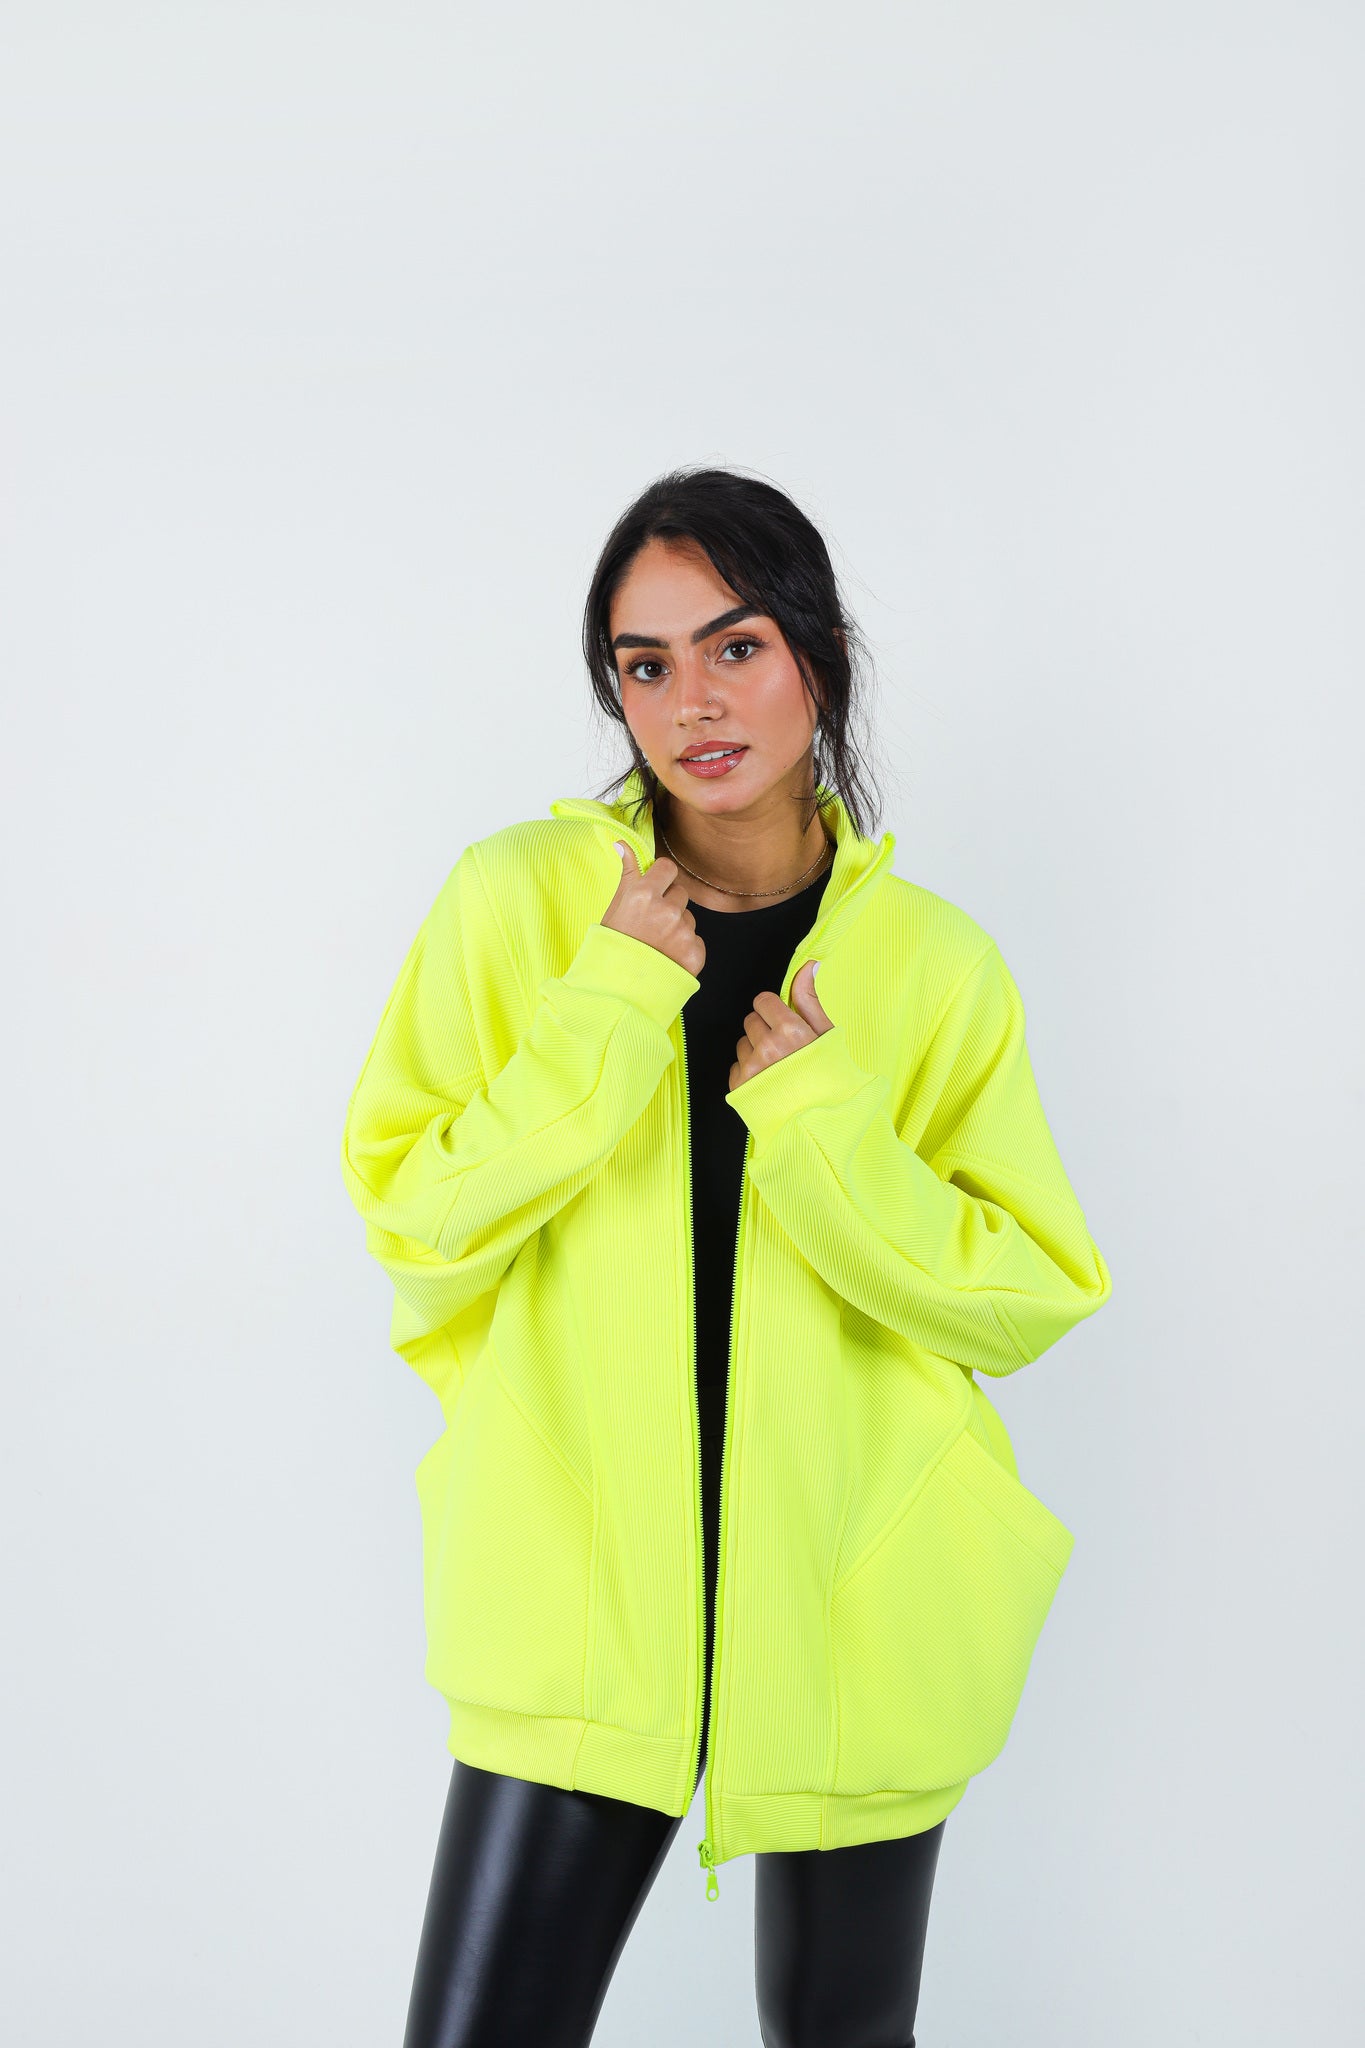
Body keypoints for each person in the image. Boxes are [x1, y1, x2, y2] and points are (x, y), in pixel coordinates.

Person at [339, 466, 1113, 2046]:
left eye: (735, 646)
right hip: (571, 1604)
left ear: (818, 656)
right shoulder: (516, 907)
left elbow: (1024, 1292)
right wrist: (608, 1008)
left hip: (860, 1609)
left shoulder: (936, 967)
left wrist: (820, 1121)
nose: (689, 700)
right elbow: (414, 1211)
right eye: (644, 663)